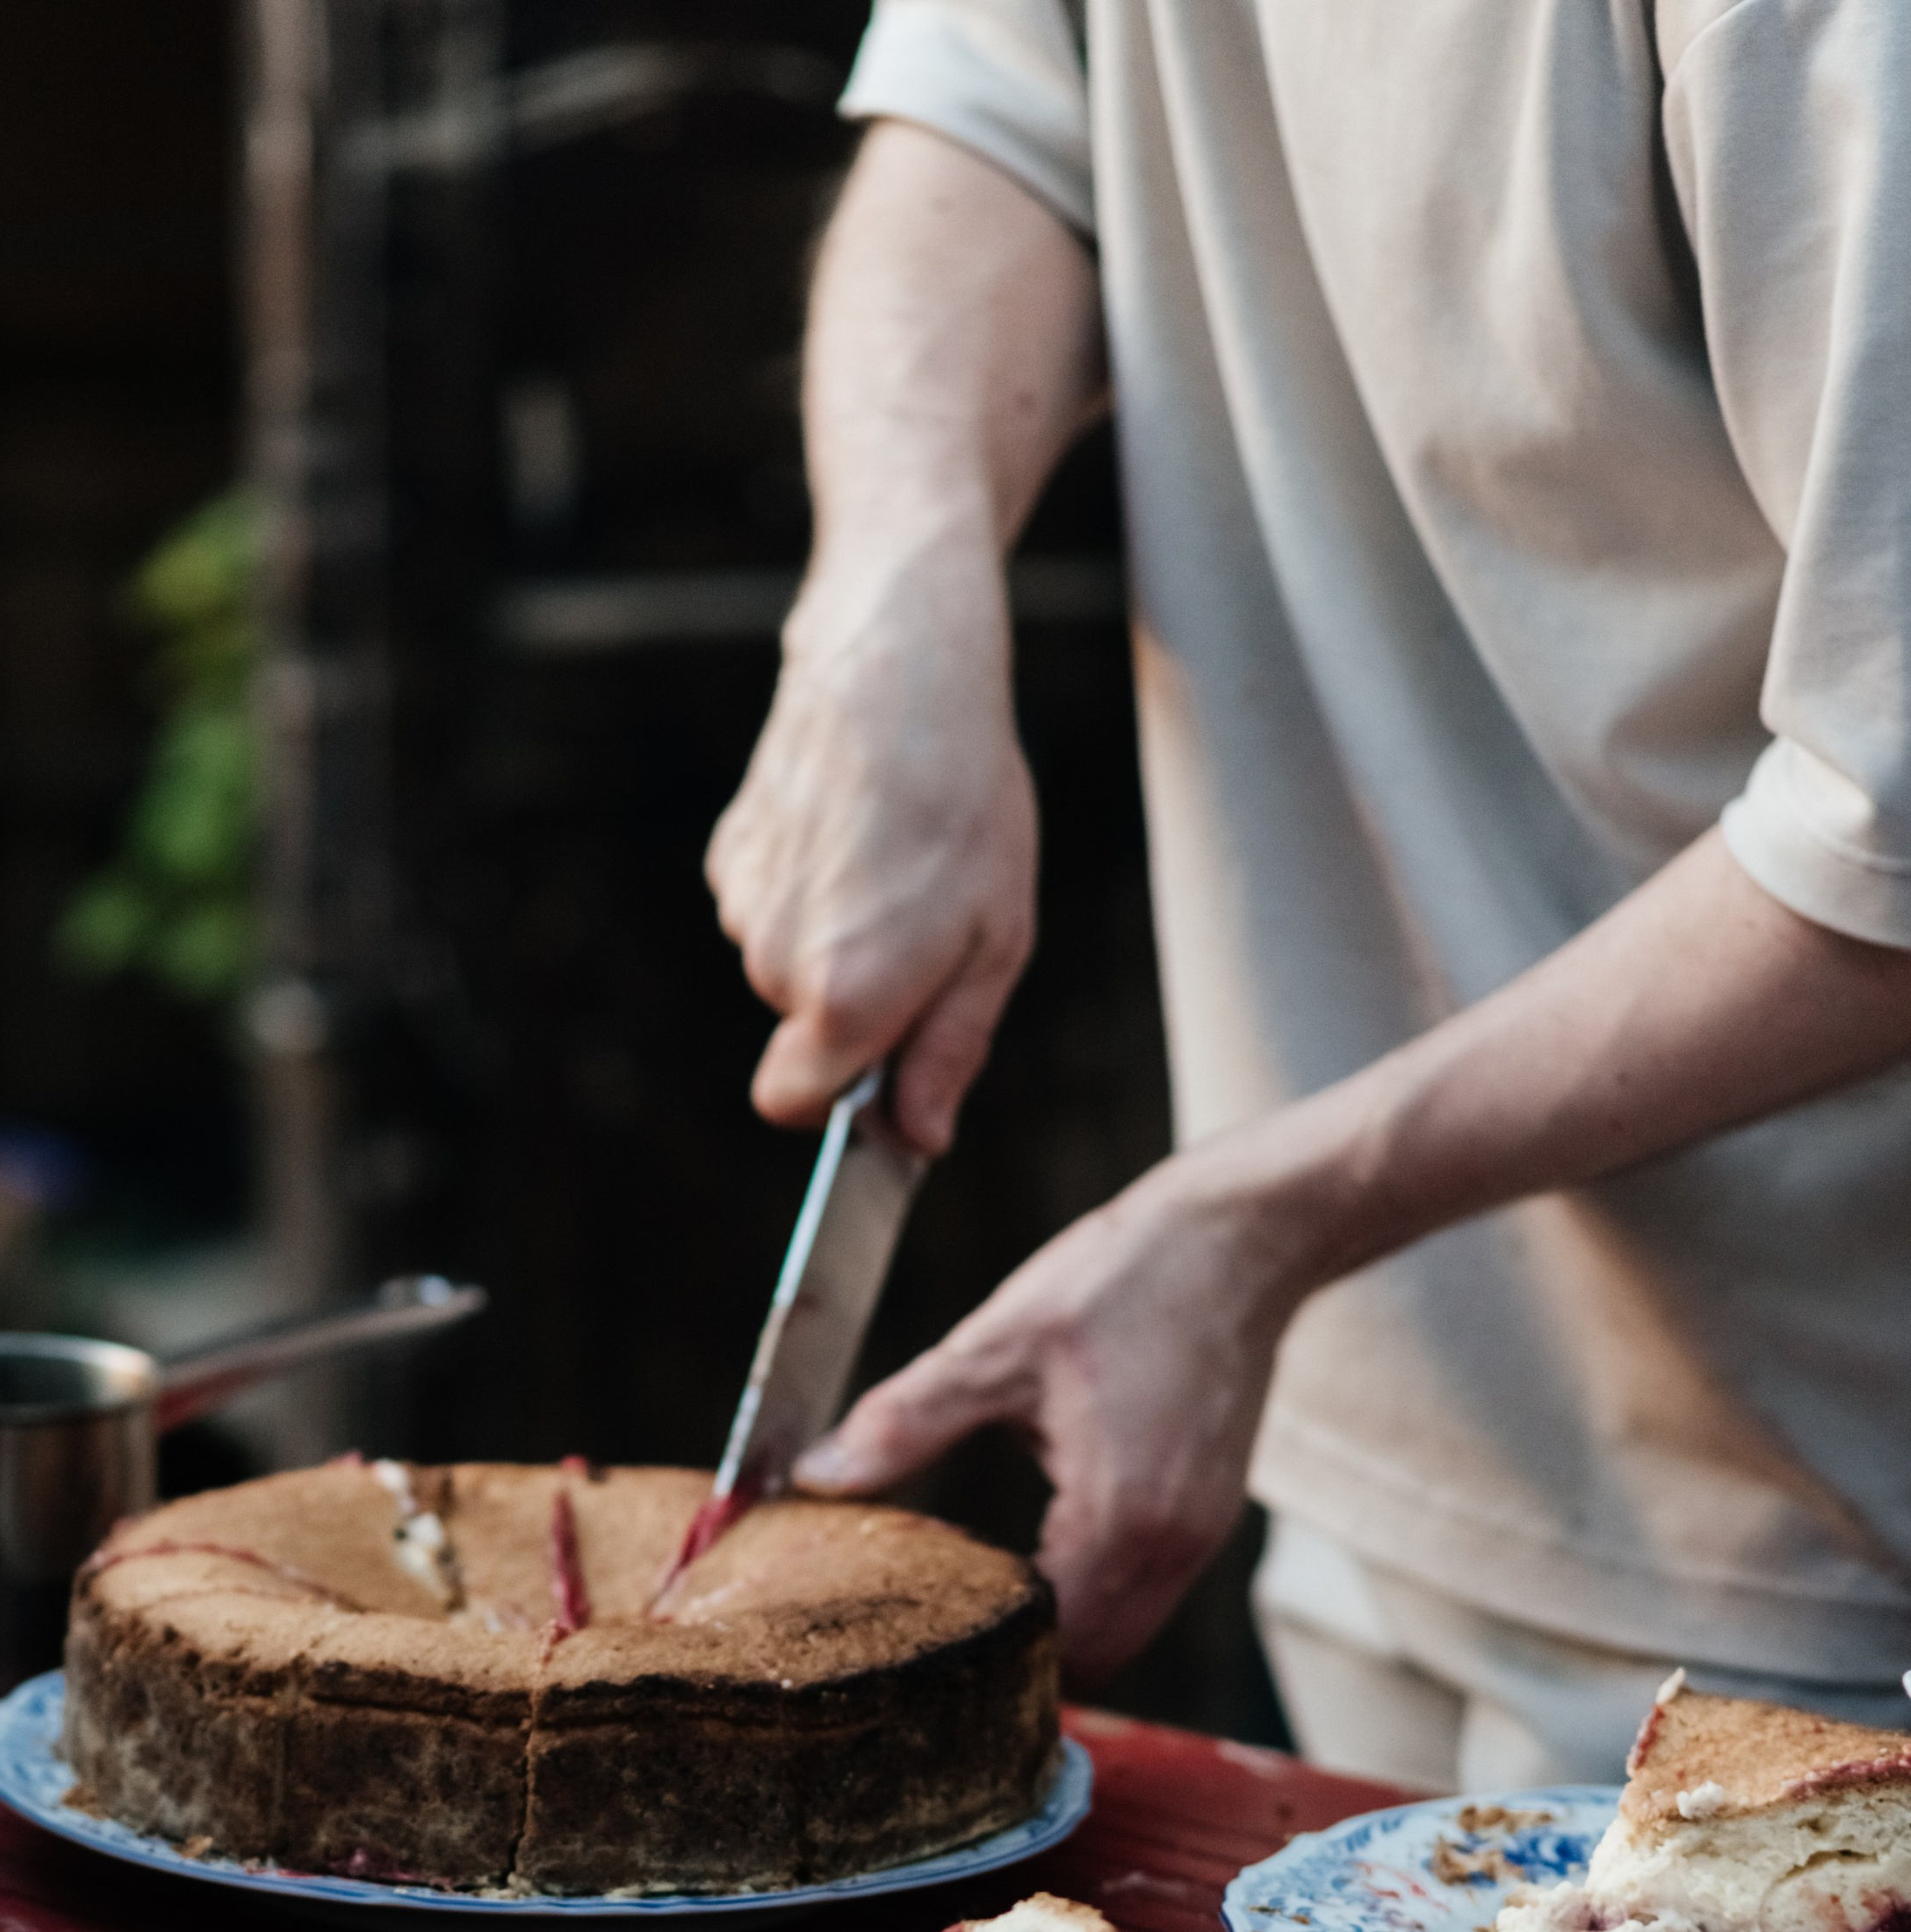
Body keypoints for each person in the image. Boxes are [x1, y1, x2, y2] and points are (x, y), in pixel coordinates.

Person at [704, 0, 1911, 1789]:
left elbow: (1885, 816)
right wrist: (891, 590)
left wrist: (1254, 1223)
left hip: (1829, 1551)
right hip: (1362, 1413)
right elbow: (993, 103)